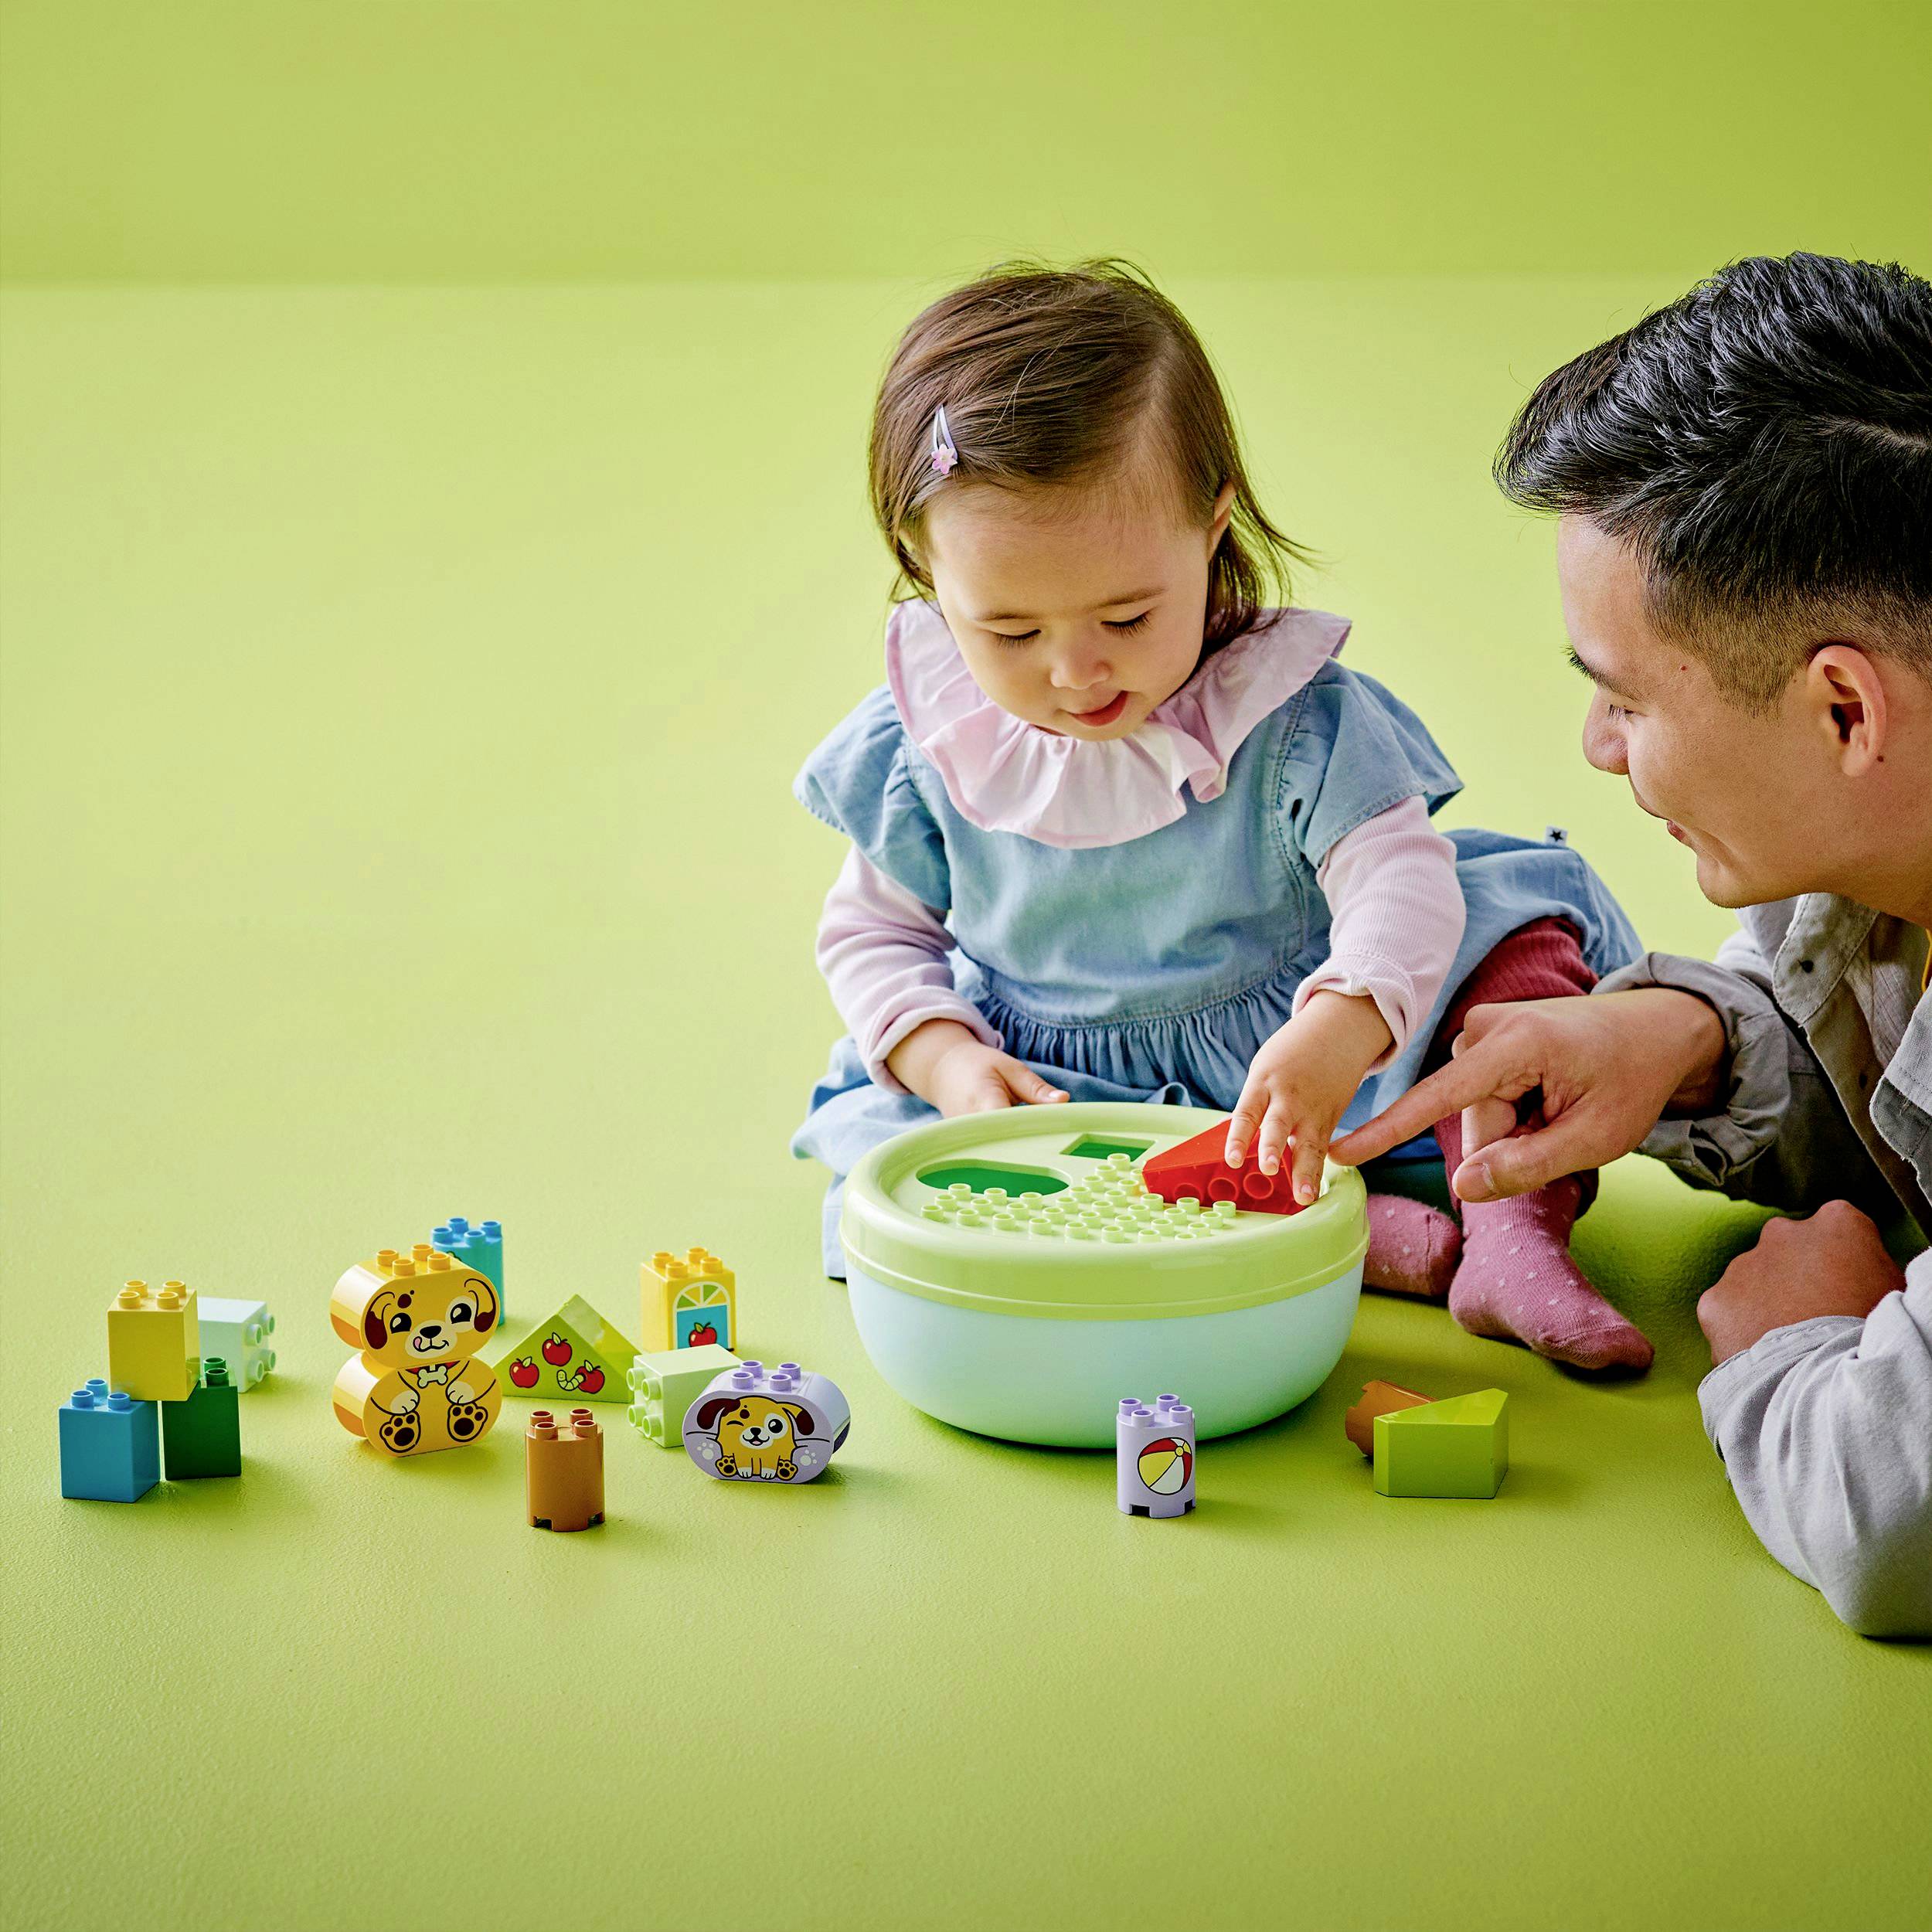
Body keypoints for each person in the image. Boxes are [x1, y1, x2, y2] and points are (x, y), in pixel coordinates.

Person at [791, 259, 1651, 1372]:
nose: (1075, 671)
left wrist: (1341, 1022)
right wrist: (950, 1060)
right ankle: (1337, 1232)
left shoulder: (1286, 720)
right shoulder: (931, 750)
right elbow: (873, 935)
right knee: (887, 1158)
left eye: (1128, 614)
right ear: (924, 572)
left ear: (1212, 526)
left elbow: (1398, 879)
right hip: (1069, 1090)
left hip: (1308, 1068)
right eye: (1010, 631)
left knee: (1521, 951)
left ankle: (1507, 1232)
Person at [1333, 253, 1932, 1638]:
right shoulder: (1873, 859)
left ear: (1846, 712)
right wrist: (1694, 1041)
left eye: (1623, 701)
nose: (1598, 753)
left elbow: (1899, 1528)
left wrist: (1803, 1339)